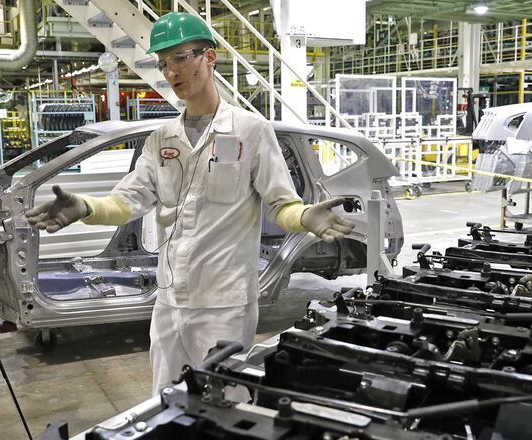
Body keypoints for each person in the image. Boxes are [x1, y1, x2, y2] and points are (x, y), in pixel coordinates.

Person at [25, 12, 355, 395]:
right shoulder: (161, 138)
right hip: (169, 301)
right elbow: (128, 202)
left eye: (180, 58)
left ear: (209, 57)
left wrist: (304, 216)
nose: (171, 72)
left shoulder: (251, 131)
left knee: (222, 403)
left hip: (224, 306)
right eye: (164, 63)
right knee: (165, 402)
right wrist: (86, 207)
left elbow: (281, 204)